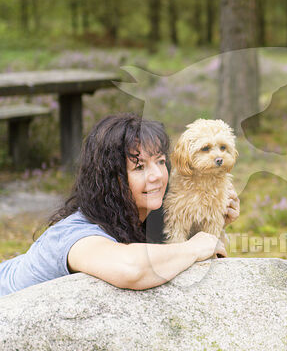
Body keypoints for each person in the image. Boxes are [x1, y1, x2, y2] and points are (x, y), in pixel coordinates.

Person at [0, 114, 240, 297]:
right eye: (139, 167)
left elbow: (166, 248)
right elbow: (131, 269)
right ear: (111, 179)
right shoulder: (77, 234)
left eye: (160, 161)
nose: (157, 175)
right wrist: (196, 246)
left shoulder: (139, 216)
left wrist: (209, 219)